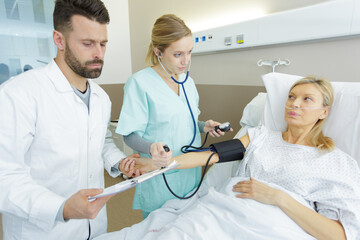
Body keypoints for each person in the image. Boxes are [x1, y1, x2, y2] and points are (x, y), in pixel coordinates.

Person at [132, 77, 360, 240]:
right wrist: (160, 164)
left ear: (324, 112)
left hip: (272, 228)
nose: (294, 103)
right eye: (291, 96)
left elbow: (340, 235)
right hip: (221, 213)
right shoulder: (260, 137)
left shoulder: (335, 161)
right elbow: (212, 155)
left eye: (307, 99)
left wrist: (278, 197)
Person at [0, 0, 139, 239]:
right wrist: (60, 207)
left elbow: (101, 141)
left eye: (103, 44)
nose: (98, 54)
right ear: (59, 40)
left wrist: (120, 162)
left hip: (93, 227)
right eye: (88, 44)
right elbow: (5, 176)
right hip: (41, 231)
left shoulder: (100, 98)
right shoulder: (19, 94)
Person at [116, 14, 232, 219]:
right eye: (178, 54)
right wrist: (151, 147)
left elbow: (183, 121)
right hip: (160, 175)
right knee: (158, 228)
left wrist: (204, 126)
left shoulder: (188, 82)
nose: (185, 61)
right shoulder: (139, 83)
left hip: (190, 170)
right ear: (158, 52)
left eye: (189, 52)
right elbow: (130, 135)